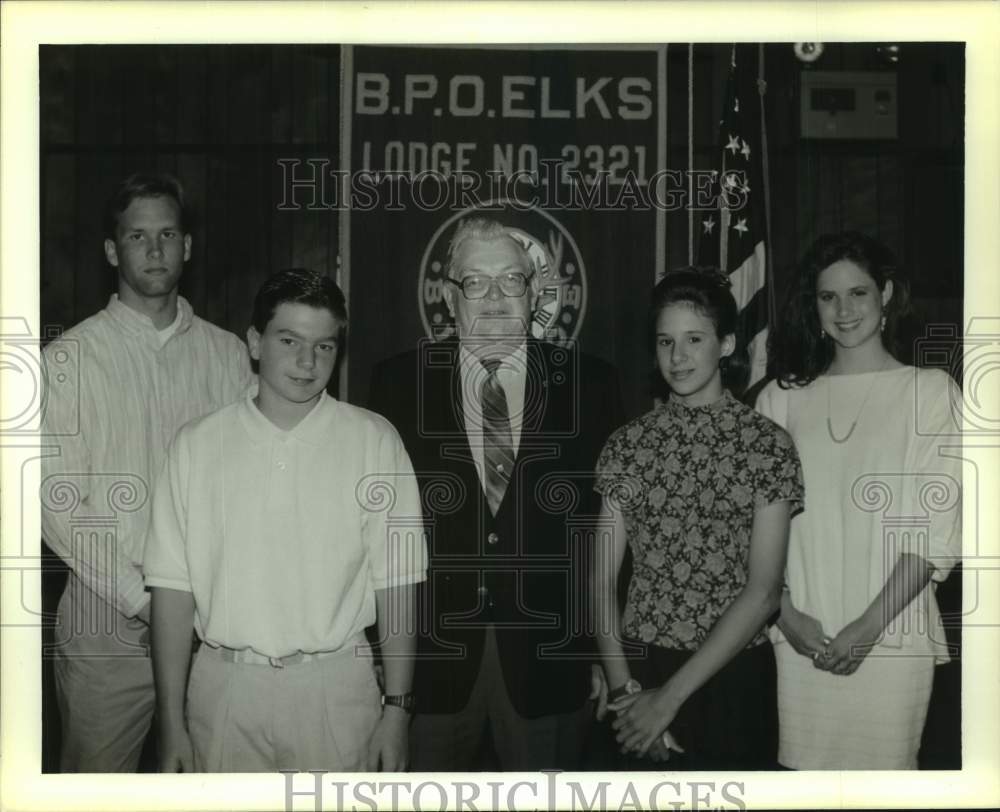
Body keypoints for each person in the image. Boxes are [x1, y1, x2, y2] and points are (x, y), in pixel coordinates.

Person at [142, 269, 426, 772]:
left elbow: (398, 585)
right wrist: (170, 720)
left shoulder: (374, 440)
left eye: (324, 347)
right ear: (255, 342)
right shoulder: (197, 445)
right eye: (289, 340)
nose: (306, 361)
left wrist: (398, 712)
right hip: (224, 688)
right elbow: (171, 592)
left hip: (335, 688)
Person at [368, 217, 624, 771]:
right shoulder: (395, 385)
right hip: (428, 666)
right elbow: (374, 532)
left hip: (549, 663)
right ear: (447, 296)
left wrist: (605, 654)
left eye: (511, 280)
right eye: (476, 282)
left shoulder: (591, 385)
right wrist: (379, 654)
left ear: (534, 294)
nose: (495, 297)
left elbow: (605, 532)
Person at [40, 172, 252, 772]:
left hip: (214, 628)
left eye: (167, 234)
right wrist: (144, 601)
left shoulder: (228, 354)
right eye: (138, 236)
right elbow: (55, 504)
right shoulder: (69, 360)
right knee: (96, 795)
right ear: (113, 251)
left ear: (188, 246)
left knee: (207, 790)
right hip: (108, 629)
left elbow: (246, 485)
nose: (155, 249)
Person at [756, 232, 962, 770]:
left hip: (892, 636)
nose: (843, 311)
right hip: (802, 635)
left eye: (859, 293)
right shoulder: (779, 397)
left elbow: (938, 531)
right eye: (828, 297)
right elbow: (748, 526)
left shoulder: (931, 392)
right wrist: (783, 612)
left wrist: (869, 627)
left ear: (887, 294)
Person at [592, 269, 802, 769]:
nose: (678, 357)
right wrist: (626, 694)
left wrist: (668, 700)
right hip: (639, 668)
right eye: (666, 341)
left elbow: (764, 591)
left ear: (727, 344)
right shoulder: (628, 445)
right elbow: (598, 582)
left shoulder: (767, 445)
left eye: (693, 339)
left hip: (732, 674)